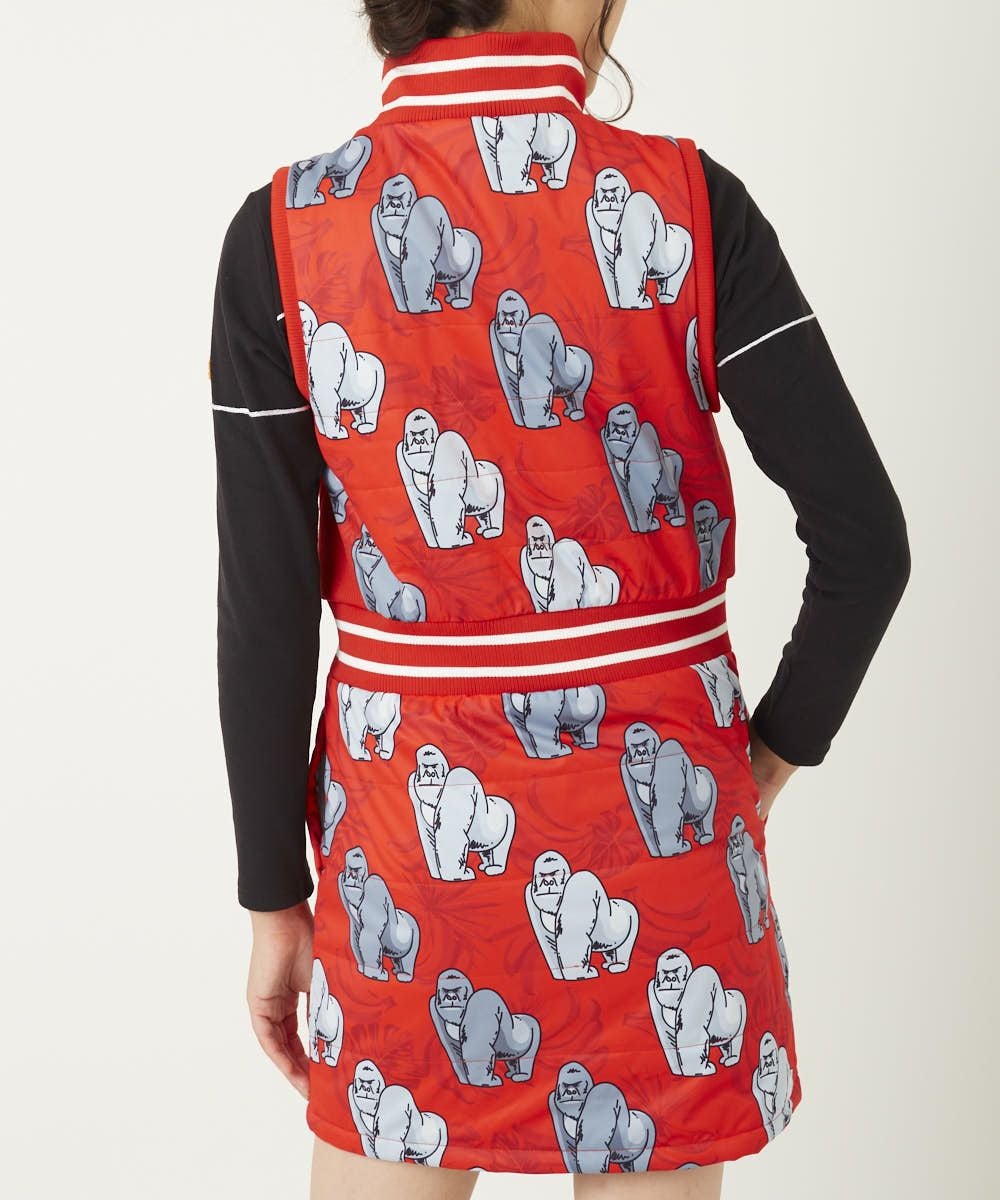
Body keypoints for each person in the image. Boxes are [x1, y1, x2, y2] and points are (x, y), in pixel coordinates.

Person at [209, 2, 910, 1196]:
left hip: (406, 869)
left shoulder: (281, 233)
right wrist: (758, 770)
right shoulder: (690, 207)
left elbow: (265, 613)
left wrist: (274, 902)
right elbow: (865, 545)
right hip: (664, 858)